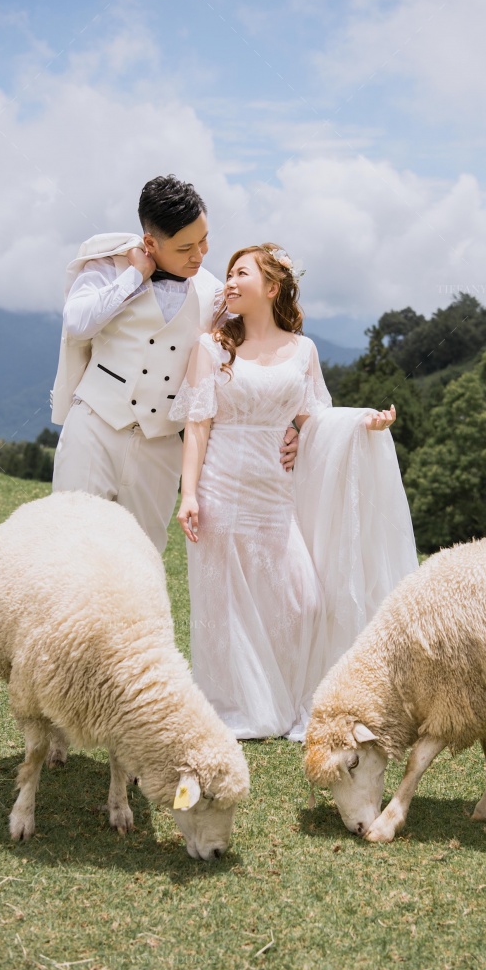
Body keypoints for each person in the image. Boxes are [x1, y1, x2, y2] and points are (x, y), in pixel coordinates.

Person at [170, 243, 418, 740]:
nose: (229, 283)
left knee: (303, 600)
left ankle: (283, 698)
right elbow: (197, 425)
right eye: (228, 275)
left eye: (241, 273)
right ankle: (241, 706)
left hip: (275, 494)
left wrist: (362, 423)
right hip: (221, 486)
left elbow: (316, 419)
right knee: (226, 606)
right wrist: (189, 493)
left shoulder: (303, 350)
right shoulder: (211, 347)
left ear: (272, 287)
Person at [50, 175, 297, 552]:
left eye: (204, 240)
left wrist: (285, 422)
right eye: (185, 247)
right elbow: (78, 322)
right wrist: (135, 275)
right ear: (151, 243)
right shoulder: (109, 265)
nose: (200, 254)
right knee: (69, 547)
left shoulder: (214, 293)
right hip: (94, 429)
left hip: (161, 445)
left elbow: (260, 350)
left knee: (142, 556)